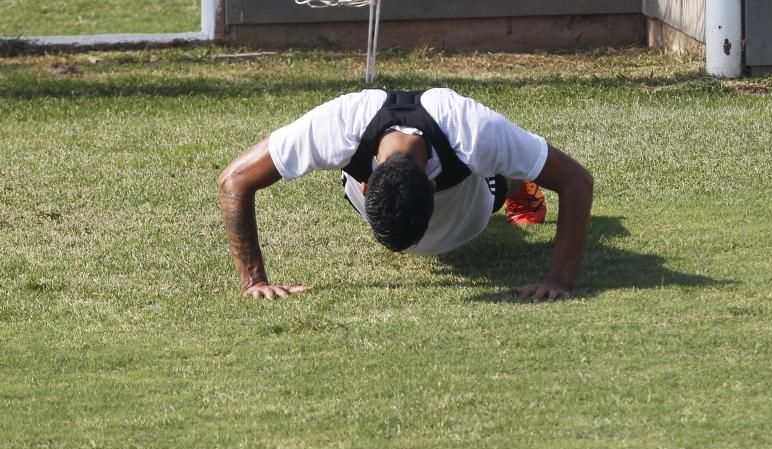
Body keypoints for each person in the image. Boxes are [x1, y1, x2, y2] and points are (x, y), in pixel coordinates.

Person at [218, 87, 593, 302]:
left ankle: (520, 184)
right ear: (364, 187)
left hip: (468, 209)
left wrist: (558, 282)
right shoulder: (340, 126)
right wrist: (255, 281)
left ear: (432, 187)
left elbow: (577, 181)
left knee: (499, 176)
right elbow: (233, 179)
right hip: (388, 183)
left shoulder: (473, 131)